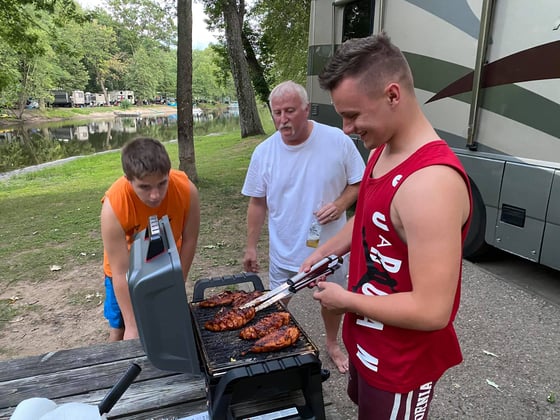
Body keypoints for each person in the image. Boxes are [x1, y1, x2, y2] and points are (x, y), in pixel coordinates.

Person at [301, 33, 472, 419]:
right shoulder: (382, 148)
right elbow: (370, 221)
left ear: (393, 95)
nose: (346, 128)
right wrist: (325, 252)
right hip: (368, 345)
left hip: (401, 365)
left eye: (353, 115)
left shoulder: (430, 184)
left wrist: (345, 301)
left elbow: (432, 311)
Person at [242, 80, 365, 373]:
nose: (282, 120)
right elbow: (257, 203)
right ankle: (272, 348)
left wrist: (338, 204)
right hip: (284, 250)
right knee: (276, 305)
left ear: (307, 109)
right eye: (276, 113)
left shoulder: (337, 140)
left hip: (330, 250)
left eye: (290, 111)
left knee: (332, 303)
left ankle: (333, 344)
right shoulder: (264, 152)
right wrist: (250, 246)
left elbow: (359, 183)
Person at [101, 137, 200, 341]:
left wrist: (177, 282)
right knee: (121, 329)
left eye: (162, 183)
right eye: (145, 187)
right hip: (125, 270)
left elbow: (190, 240)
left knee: (163, 321)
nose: (155, 195)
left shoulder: (186, 190)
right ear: (129, 179)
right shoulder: (114, 206)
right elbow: (120, 272)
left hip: (164, 262)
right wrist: (132, 325)